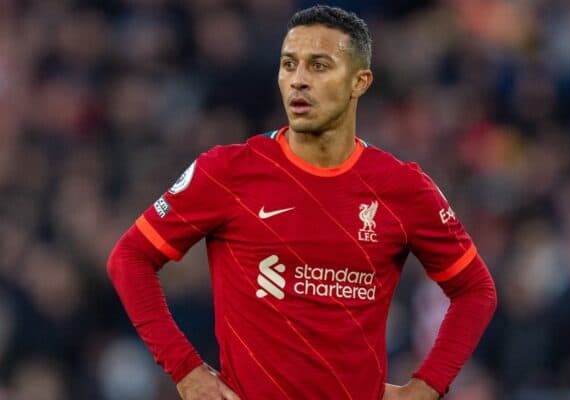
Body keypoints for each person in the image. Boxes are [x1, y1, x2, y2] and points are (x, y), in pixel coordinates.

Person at [107, 5, 497, 400]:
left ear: (359, 82)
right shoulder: (229, 171)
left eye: (319, 66)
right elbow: (129, 258)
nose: (298, 81)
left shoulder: (403, 188)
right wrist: (186, 370)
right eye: (289, 64)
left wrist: (427, 386)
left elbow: (475, 289)